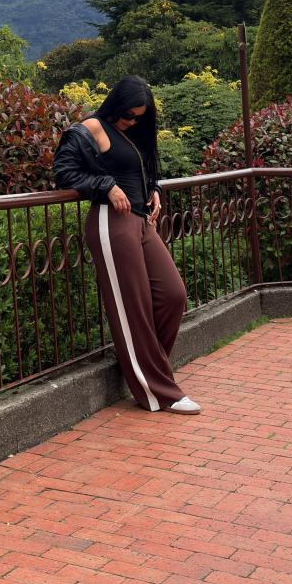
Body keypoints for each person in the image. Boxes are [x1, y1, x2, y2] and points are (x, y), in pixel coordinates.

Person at [53, 75, 200, 414]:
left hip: (140, 221)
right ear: (115, 105)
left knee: (173, 295)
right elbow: (64, 172)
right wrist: (105, 185)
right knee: (133, 306)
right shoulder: (91, 128)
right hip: (111, 221)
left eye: (138, 117)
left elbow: (142, 169)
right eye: (128, 115)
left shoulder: (132, 132)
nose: (131, 121)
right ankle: (159, 393)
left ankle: (145, 368)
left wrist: (154, 189)